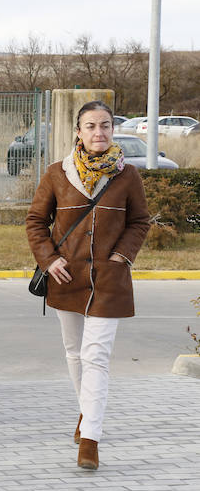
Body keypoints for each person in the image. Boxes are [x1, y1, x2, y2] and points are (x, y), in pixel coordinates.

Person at [26, 100, 150, 470]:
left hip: (110, 281)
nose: (99, 133)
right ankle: (86, 411)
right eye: (91, 126)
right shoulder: (56, 174)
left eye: (106, 126)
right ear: (78, 132)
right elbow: (35, 222)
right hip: (68, 278)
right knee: (75, 352)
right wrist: (50, 259)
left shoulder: (128, 176)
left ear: (114, 130)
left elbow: (140, 222)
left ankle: (91, 439)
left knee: (96, 356)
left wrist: (120, 257)